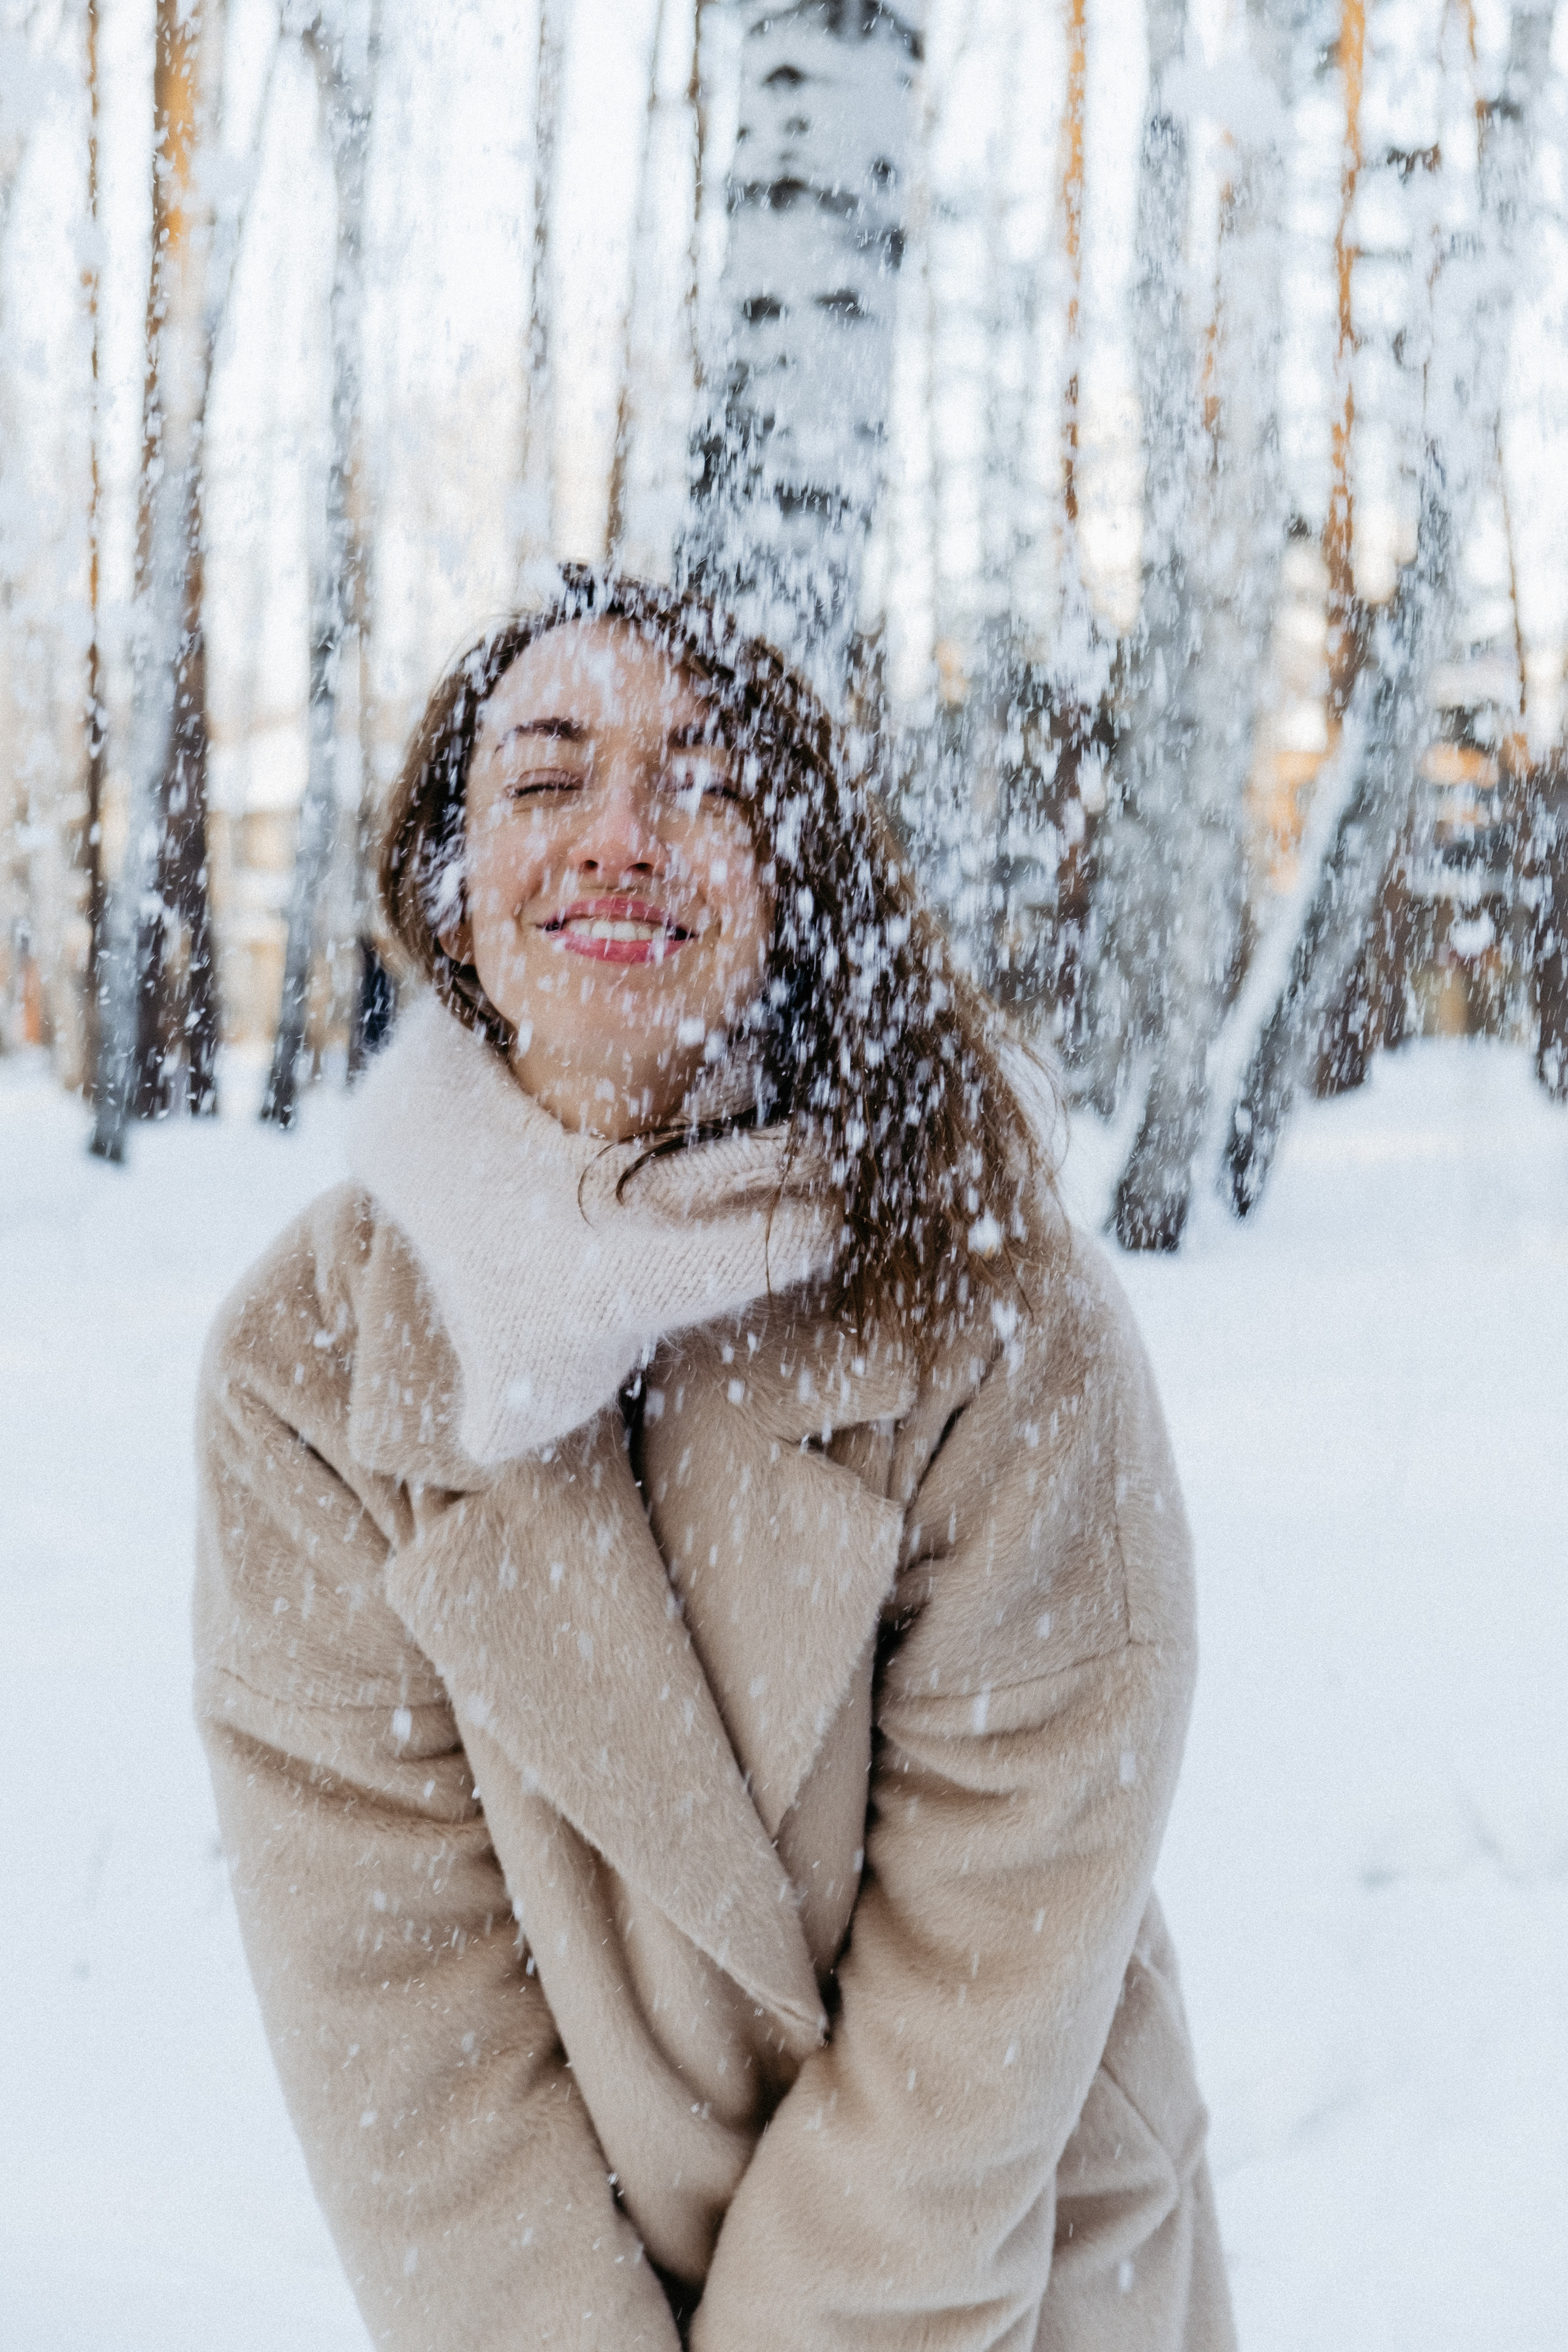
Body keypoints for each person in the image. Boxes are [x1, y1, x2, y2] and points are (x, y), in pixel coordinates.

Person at [195, 571, 1234, 2351]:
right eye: (544, 780)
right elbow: (403, 2019)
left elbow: (992, 1963)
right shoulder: (306, 1364)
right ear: (448, 886)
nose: (622, 835)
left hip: (1000, 2268)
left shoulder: (992, 1299)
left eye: (705, 778)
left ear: (796, 875)